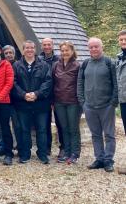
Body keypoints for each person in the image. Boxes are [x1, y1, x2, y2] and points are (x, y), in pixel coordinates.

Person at [78, 37, 118, 172]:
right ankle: (99, 159)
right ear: (88, 49)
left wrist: (113, 102)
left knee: (109, 134)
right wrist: (82, 102)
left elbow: (116, 84)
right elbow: (80, 84)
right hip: (89, 106)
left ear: (102, 47)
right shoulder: (85, 64)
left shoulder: (109, 63)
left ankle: (108, 160)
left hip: (106, 106)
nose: (94, 49)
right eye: (91, 47)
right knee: (95, 135)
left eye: (96, 46)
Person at [12, 40, 52, 164]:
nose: (29, 50)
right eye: (27, 48)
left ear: (35, 49)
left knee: (42, 129)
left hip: (40, 103)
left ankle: (42, 153)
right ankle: (25, 153)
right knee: (24, 129)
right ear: (23, 50)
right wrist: (23, 95)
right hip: (23, 104)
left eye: (31, 48)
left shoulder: (44, 65)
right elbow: (13, 83)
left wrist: (36, 94)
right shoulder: (17, 65)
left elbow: (48, 82)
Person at [53, 41, 81, 164]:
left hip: (73, 102)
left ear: (72, 51)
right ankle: (67, 151)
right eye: (62, 50)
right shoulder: (56, 65)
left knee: (73, 128)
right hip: (59, 101)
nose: (65, 52)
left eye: (67, 50)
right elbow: (52, 83)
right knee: (63, 128)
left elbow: (80, 84)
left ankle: (75, 153)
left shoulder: (77, 65)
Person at [39, 37, 64, 158]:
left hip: (57, 94)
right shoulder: (38, 59)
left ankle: (63, 147)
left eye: (49, 44)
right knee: (45, 123)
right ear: (41, 46)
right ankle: (46, 147)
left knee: (60, 123)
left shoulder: (59, 59)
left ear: (52, 45)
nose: (47, 47)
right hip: (44, 96)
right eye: (44, 45)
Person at [2, 44, 22, 150]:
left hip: (16, 100)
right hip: (3, 100)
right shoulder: (1, 65)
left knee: (17, 125)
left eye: (11, 53)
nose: (9, 55)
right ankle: (5, 147)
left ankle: (19, 145)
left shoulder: (19, 65)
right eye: (6, 53)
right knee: (2, 126)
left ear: (14, 54)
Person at [117, 30, 126, 134]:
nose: (123, 42)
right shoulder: (119, 58)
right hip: (123, 100)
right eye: (121, 40)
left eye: (125, 39)